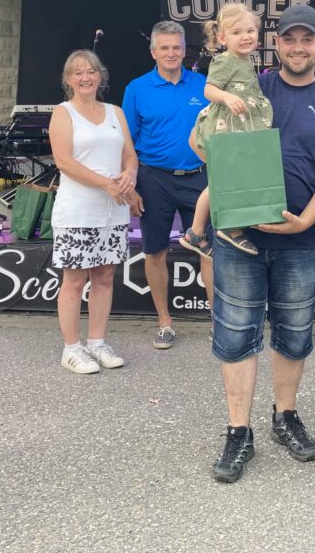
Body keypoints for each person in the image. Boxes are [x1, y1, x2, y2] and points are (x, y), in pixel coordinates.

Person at [210, 4, 315, 483]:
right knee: (236, 333)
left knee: (293, 334)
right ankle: (239, 431)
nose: (298, 47)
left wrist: (305, 221)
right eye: (289, 39)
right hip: (240, 235)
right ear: (276, 43)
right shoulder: (252, 86)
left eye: (307, 39)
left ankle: (285, 416)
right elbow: (210, 135)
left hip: (302, 238)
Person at [122, 21, 213, 349]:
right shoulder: (137, 89)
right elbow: (127, 143)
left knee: (208, 249)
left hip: (199, 177)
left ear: (184, 50)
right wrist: (131, 186)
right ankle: (164, 322)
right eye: (165, 48)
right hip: (153, 179)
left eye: (176, 47)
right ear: (153, 52)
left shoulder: (204, 85)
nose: (171, 53)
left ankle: (218, 322)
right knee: (155, 250)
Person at [48, 50, 137, 374]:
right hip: (78, 210)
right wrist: (106, 184)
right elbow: (64, 161)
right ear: (68, 80)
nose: (85, 77)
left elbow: (129, 154)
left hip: (113, 210)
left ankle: (97, 342)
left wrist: (129, 175)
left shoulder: (115, 112)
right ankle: (72, 348)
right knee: (74, 280)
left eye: (91, 71)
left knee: (104, 277)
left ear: (100, 76)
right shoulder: (63, 113)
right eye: (78, 72)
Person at [179, 3, 274, 258]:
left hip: (238, 128)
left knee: (225, 180)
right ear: (222, 38)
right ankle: (226, 227)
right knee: (225, 180)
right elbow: (208, 89)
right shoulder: (225, 60)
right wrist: (227, 97)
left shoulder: (245, 61)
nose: (245, 37)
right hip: (227, 128)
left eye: (250, 31)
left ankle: (196, 233)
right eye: (237, 32)